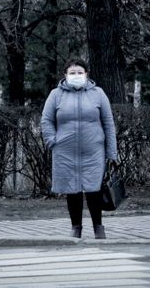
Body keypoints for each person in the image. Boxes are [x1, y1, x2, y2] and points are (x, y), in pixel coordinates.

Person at [40, 58, 118, 239]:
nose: (76, 76)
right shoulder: (55, 95)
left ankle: (98, 228)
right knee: (72, 190)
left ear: (86, 74)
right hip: (65, 152)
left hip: (93, 151)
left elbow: (108, 124)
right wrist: (52, 141)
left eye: (80, 72)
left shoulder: (98, 94)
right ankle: (76, 228)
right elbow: (46, 120)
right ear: (65, 75)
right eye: (72, 73)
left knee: (94, 189)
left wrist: (111, 152)